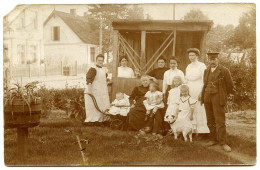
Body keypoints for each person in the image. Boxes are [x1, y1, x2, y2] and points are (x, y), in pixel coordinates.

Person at [201, 52, 234, 152]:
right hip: (207, 97)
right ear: (208, 60)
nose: (212, 61)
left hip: (218, 98)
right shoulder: (206, 70)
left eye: (214, 59)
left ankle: (223, 142)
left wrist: (222, 94)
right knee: (210, 119)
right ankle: (213, 139)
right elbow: (205, 84)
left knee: (220, 120)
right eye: (211, 59)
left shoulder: (224, 70)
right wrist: (203, 96)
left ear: (217, 59)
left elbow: (230, 86)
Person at [185, 48, 210, 134]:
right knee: (189, 107)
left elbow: (204, 80)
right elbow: (186, 78)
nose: (191, 57)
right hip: (189, 88)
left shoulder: (201, 66)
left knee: (198, 107)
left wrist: (201, 91)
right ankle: (190, 129)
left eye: (193, 55)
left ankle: (201, 130)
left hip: (198, 87)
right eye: (189, 55)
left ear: (197, 56)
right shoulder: (188, 66)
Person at [84, 54, 110, 123]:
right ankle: (94, 120)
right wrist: (89, 90)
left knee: (103, 104)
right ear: (96, 60)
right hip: (94, 90)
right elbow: (89, 79)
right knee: (94, 105)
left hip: (102, 90)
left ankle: (102, 119)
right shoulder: (93, 69)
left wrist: (108, 81)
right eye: (99, 60)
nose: (100, 62)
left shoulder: (104, 69)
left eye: (101, 60)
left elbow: (104, 78)